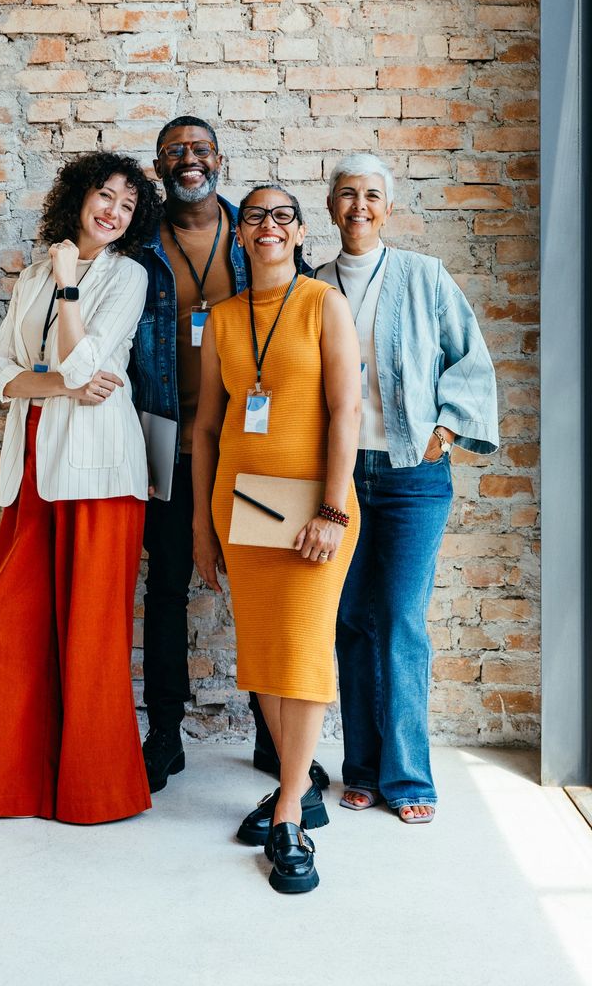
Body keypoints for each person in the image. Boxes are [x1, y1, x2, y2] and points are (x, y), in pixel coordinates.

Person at [0, 151, 162, 825]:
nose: (114, 211)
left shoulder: (127, 276)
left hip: (99, 469)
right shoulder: (33, 274)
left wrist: (69, 288)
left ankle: (95, 794)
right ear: (79, 196)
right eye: (105, 195)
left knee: (90, 636)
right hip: (33, 463)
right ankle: (11, 787)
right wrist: (60, 385)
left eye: (127, 204)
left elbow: (85, 361)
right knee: (10, 624)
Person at [129, 117, 328, 794]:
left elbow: (300, 326)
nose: (189, 159)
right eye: (175, 151)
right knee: (167, 589)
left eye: (201, 149)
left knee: (261, 591)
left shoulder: (255, 231)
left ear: (220, 159)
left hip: (252, 451)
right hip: (165, 439)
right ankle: (164, 735)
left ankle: (276, 742)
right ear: (159, 166)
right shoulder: (140, 243)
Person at [315, 153, 499, 824]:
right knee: (349, 620)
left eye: (371, 195)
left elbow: (470, 358)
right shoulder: (314, 284)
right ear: (330, 206)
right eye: (346, 194)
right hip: (339, 474)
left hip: (411, 478)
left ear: (388, 208)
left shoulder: (425, 275)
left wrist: (443, 431)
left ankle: (409, 776)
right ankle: (361, 769)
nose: (358, 206)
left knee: (399, 618)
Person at [192, 185, 362, 894]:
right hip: (245, 507)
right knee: (263, 655)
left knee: (304, 652)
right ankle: (300, 788)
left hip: (316, 507)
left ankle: (289, 811)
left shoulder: (324, 304)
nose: (268, 225)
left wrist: (333, 510)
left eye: (282, 215)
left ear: (298, 230)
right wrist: (202, 525)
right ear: (240, 233)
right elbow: (207, 426)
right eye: (255, 216)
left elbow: (346, 409)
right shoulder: (223, 318)